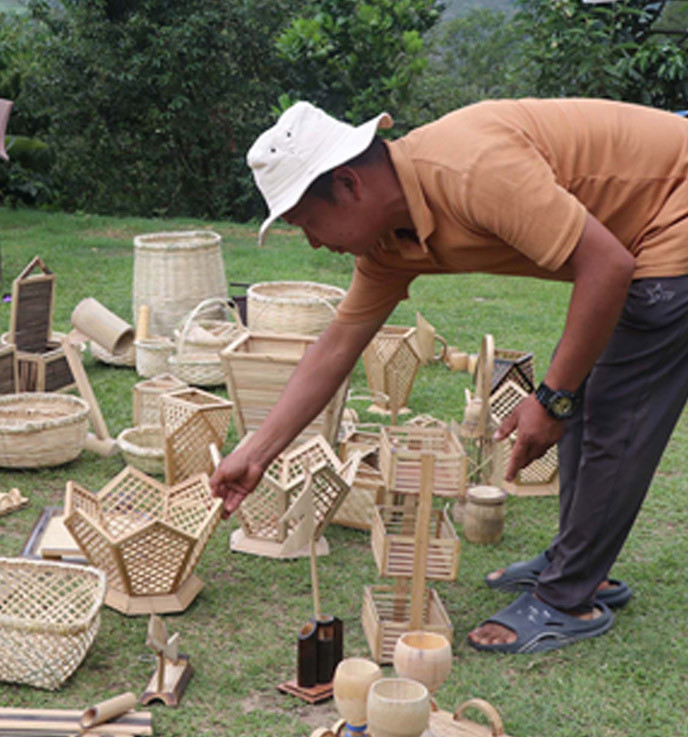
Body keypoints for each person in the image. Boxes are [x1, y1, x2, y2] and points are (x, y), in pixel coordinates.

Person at [212, 98, 688, 653]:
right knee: (582, 391)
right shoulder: (389, 244)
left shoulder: (471, 169)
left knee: (613, 406)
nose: (314, 241)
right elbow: (337, 346)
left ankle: (567, 598)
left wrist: (553, 399)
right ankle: (576, 564)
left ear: (348, 183)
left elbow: (607, 265)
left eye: (306, 221)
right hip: (632, 236)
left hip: (674, 209)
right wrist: (257, 452)